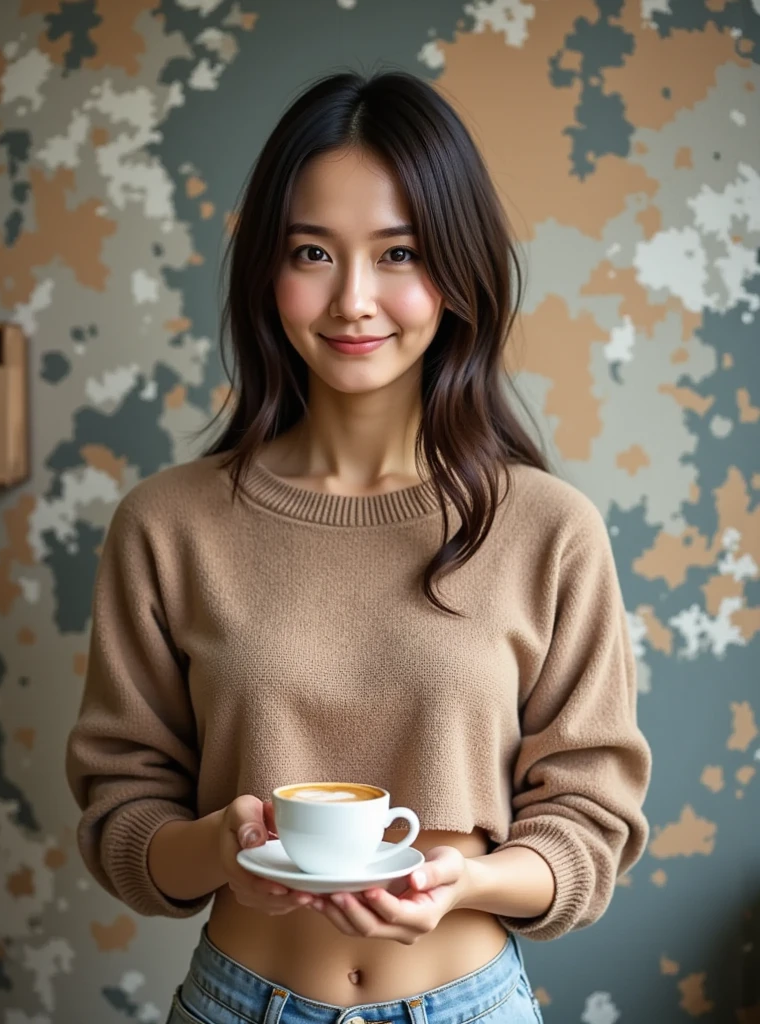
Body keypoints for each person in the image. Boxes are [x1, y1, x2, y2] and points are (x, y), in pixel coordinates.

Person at [65, 68, 652, 1024]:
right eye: (311, 251)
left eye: (398, 253)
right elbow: (122, 815)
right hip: (235, 1004)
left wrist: (464, 885)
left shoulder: (549, 530)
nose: (352, 300)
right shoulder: (167, 524)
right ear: (266, 267)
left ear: (457, 272)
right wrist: (221, 851)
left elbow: (589, 827)